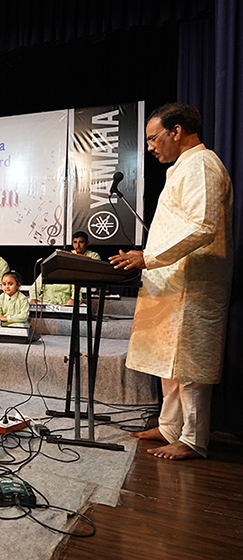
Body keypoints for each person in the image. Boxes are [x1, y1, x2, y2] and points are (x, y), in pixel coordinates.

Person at [110, 103, 233, 460]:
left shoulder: (203, 165)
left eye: (153, 138)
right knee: (168, 362)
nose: (150, 147)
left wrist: (148, 258)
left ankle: (194, 438)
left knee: (188, 363)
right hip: (170, 280)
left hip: (193, 282)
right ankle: (169, 426)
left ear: (176, 131)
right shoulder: (183, 167)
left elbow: (202, 227)